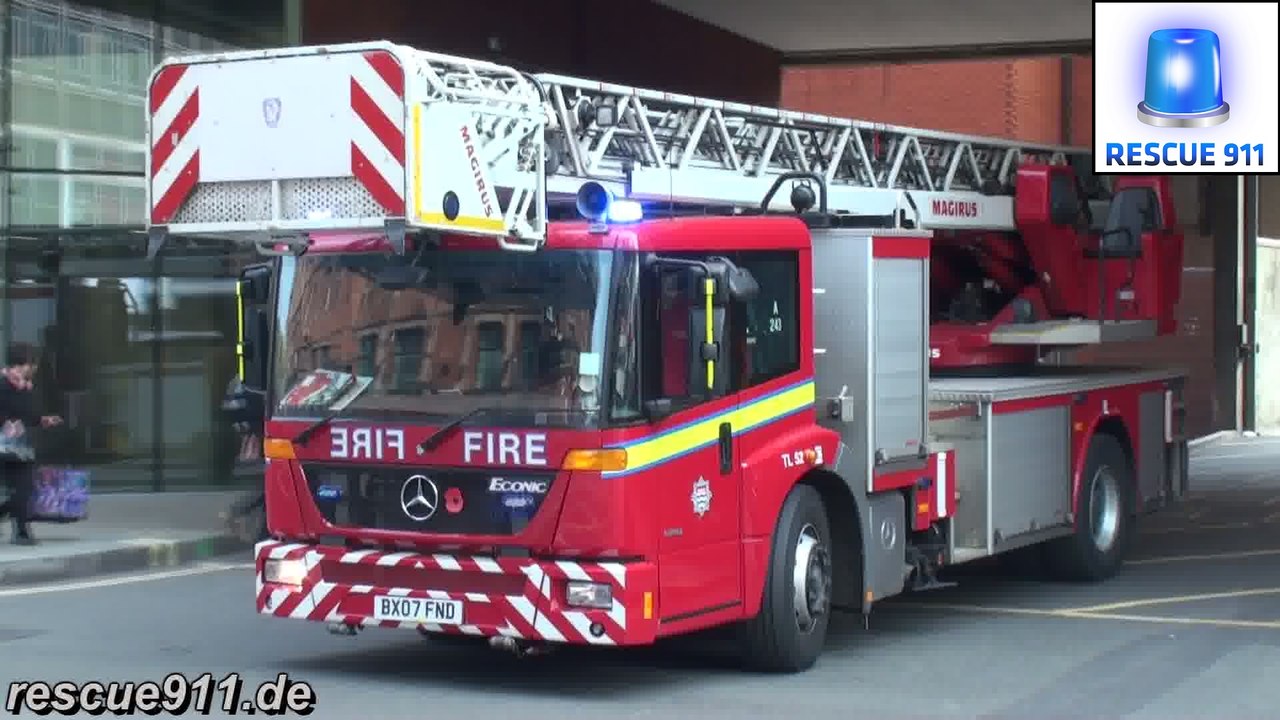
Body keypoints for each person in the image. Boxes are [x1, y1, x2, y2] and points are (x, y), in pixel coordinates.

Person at [0, 342, 63, 545]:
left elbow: (29, 416)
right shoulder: (2, 384)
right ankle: (21, 531)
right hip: (3, 447)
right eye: (33, 364)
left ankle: (21, 531)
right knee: (21, 489)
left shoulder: (26, 388)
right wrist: (6, 422)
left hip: (20, 447)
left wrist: (43, 420)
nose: (35, 369)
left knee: (25, 488)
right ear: (24, 363)